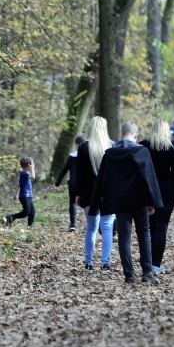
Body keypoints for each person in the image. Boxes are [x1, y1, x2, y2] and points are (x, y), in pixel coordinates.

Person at [90, 121, 163, 285]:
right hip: (140, 200)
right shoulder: (141, 151)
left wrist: (105, 204)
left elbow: (104, 180)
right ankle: (147, 273)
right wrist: (152, 201)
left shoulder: (110, 154)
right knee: (144, 233)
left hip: (120, 201)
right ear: (136, 135)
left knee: (124, 237)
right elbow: (149, 178)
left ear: (121, 134)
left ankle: (129, 275)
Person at [140, 118, 174, 275]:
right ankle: (156, 264)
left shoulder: (143, 146)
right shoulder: (170, 149)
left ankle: (147, 262)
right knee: (161, 227)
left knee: (148, 227)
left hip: (148, 190)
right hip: (167, 191)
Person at [76, 116, 115, 272]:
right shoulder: (112, 146)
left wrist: (78, 194)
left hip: (88, 193)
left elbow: (79, 174)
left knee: (91, 228)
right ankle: (105, 263)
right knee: (107, 228)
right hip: (107, 194)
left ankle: (88, 262)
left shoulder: (84, 147)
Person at [55, 135, 84, 232]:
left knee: (73, 202)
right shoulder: (88, 156)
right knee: (87, 203)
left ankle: (73, 224)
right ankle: (92, 224)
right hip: (85, 184)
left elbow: (64, 170)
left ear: (76, 144)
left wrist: (58, 181)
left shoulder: (72, 157)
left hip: (73, 183)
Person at [4, 157, 36, 227]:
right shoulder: (23, 173)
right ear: (28, 165)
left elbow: (19, 184)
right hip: (24, 196)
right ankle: (12, 216)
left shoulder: (25, 174)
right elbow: (33, 176)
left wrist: (16, 194)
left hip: (28, 196)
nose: (33, 165)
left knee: (32, 211)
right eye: (31, 164)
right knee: (26, 212)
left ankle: (30, 225)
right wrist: (32, 168)